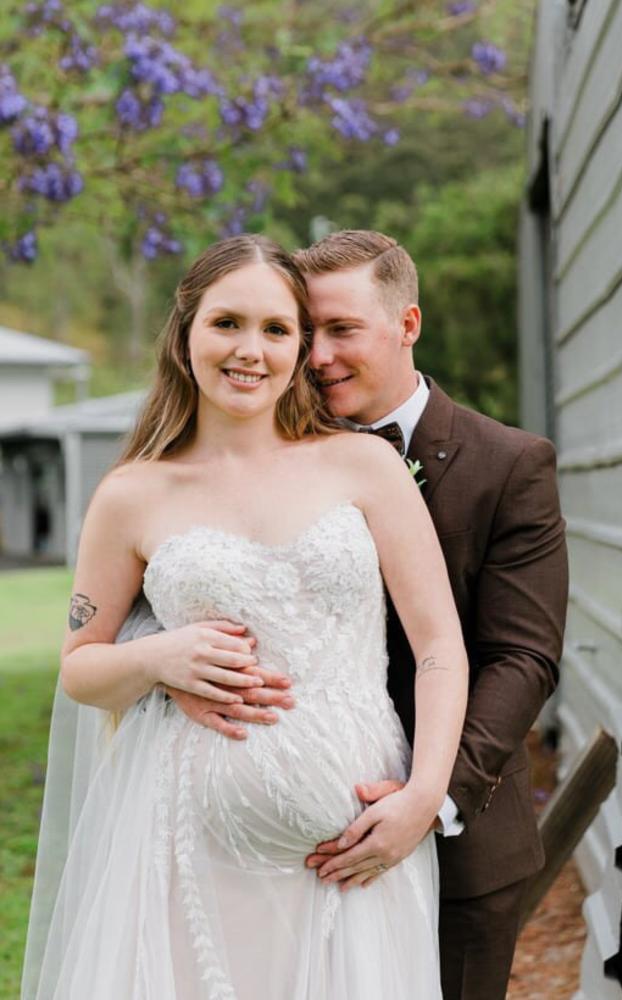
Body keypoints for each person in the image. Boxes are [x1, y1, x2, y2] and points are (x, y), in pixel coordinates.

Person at [22, 234, 468, 1000]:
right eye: (226, 323)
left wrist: (422, 799)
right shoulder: (134, 493)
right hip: (185, 850)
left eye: (275, 329)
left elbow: (438, 649)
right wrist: (156, 659)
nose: (249, 351)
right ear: (185, 332)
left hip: (358, 856)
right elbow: (80, 666)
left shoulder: (362, 465)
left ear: (300, 347)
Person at [169, 230, 568, 1000]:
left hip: (458, 838)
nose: (316, 357)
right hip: (269, 843)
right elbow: (186, 580)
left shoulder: (509, 466)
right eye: (305, 332)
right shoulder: (251, 447)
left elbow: (523, 658)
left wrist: (431, 797)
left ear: (407, 324)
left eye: (342, 330)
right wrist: (173, 669)